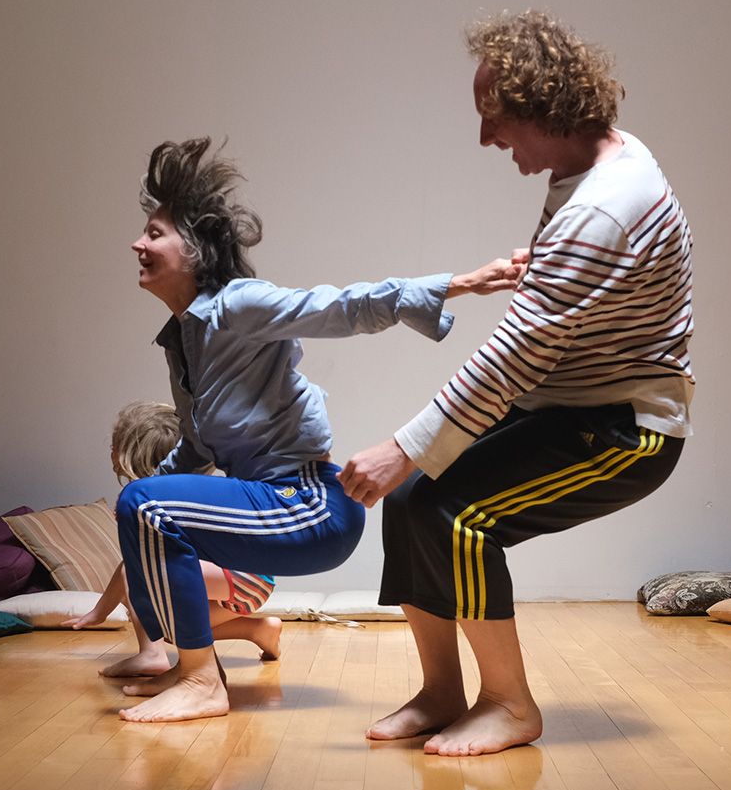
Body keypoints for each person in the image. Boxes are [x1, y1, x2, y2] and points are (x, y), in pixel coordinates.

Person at [339, 9, 695, 757]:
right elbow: (585, 291)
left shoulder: (601, 207)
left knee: (458, 517)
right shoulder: (600, 166)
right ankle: (441, 694)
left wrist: (400, 447)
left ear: (544, 110)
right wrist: (556, 278)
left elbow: (509, 363)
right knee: (410, 504)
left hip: (626, 428)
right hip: (572, 404)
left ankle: (509, 704)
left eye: (493, 119)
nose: (485, 138)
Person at [115, 136, 521, 723]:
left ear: (196, 250)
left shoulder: (239, 304)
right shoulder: (185, 339)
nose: (138, 243)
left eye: (155, 233)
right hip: (270, 500)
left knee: (147, 507)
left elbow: (340, 306)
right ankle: (187, 667)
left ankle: (201, 682)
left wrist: (457, 283)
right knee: (143, 508)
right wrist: (143, 491)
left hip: (310, 504)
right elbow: (197, 448)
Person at [62, 400, 283, 678]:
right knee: (171, 626)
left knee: (145, 577)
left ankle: (150, 655)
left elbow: (131, 566)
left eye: (114, 444)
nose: (110, 450)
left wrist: (100, 611)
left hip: (238, 574)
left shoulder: (142, 498)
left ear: (129, 455)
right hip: (256, 577)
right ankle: (259, 630)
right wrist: (101, 609)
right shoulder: (191, 488)